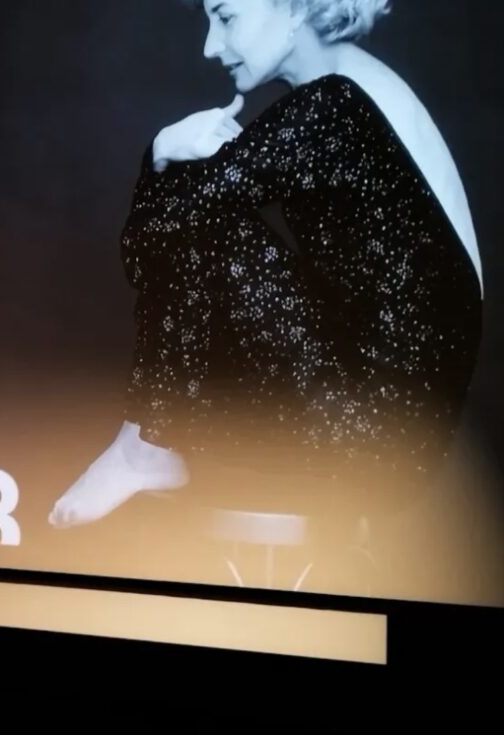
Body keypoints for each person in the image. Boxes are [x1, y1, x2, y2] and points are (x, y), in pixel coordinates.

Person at [50, 0, 483, 528]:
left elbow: (144, 248)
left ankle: (142, 450)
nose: (210, 47)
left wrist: (160, 150)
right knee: (202, 204)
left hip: (374, 439)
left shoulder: (333, 105)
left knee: (201, 211)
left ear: (297, 7)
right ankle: (144, 447)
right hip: (395, 434)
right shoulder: (360, 89)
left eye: (226, 16)